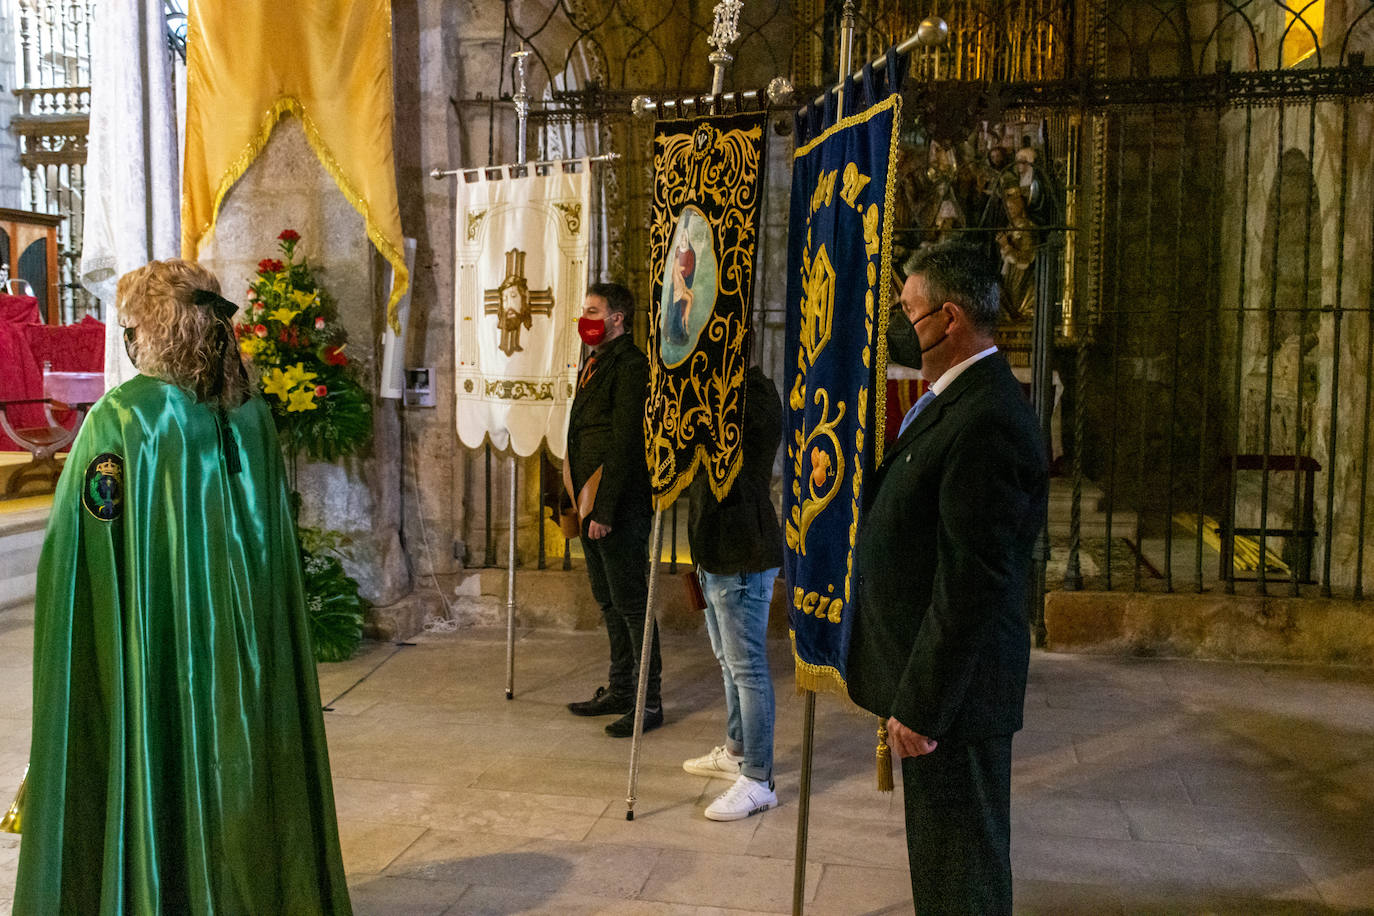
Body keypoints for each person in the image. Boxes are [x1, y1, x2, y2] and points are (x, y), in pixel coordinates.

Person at [13, 259, 352, 914]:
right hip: (243, 654)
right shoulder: (250, 414)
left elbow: (84, 546)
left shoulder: (124, 417)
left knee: (165, 758)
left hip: (163, 647)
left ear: (151, 329)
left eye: (130, 325)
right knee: (241, 767)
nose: (128, 338)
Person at [848, 242, 1048, 914]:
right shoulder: (953, 400)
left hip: (956, 700)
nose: (898, 324)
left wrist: (925, 703)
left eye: (907, 309)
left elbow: (972, 581)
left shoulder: (988, 419)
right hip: (937, 688)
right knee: (941, 865)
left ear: (950, 318)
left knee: (963, 873)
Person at [682, 364, 784, 821]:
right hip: (713, 551)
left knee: (748, 669)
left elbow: (731, 448)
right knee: (728, 662)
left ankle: (759, 778)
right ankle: (737, 750)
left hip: (743, 550)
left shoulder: (754, 397)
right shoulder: (707, 394)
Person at [564, 281, 661, 737]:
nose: (586, 317)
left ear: (617, 318)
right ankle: (621, 687)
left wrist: (603, 510)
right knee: (608, 601)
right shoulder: (595, 361)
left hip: (616, 505)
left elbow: (625, 442)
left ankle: (648, 700)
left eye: (593, 310)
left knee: (632, 603)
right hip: (590, 502)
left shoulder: (632, 366)